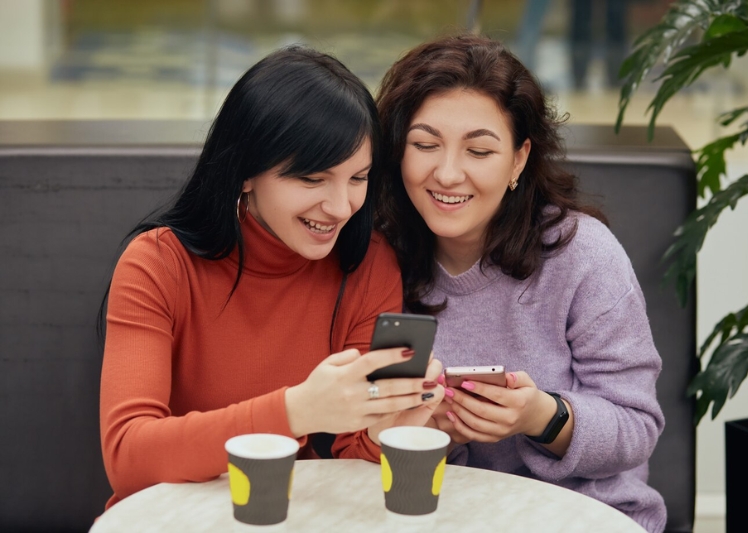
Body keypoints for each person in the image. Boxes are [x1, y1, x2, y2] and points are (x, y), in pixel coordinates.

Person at [99, 46, 443, 509]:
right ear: (245, 173)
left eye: (358, 178)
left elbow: (352, 453)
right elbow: (128, 456)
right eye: (313, 179)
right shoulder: (159, 263)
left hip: (281, 515)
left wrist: (384, 428)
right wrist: (295, 411)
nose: (342, 207)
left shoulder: (368, 262)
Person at [374, 34, 666, 533]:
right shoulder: (375, 257)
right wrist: (420, 428)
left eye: (479, 151)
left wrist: (541, 417)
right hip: (437, 516)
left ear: (518, 159)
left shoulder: (583, 256)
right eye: (424, 145)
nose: (447, 173)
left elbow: (637, 427)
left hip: (583, 517)